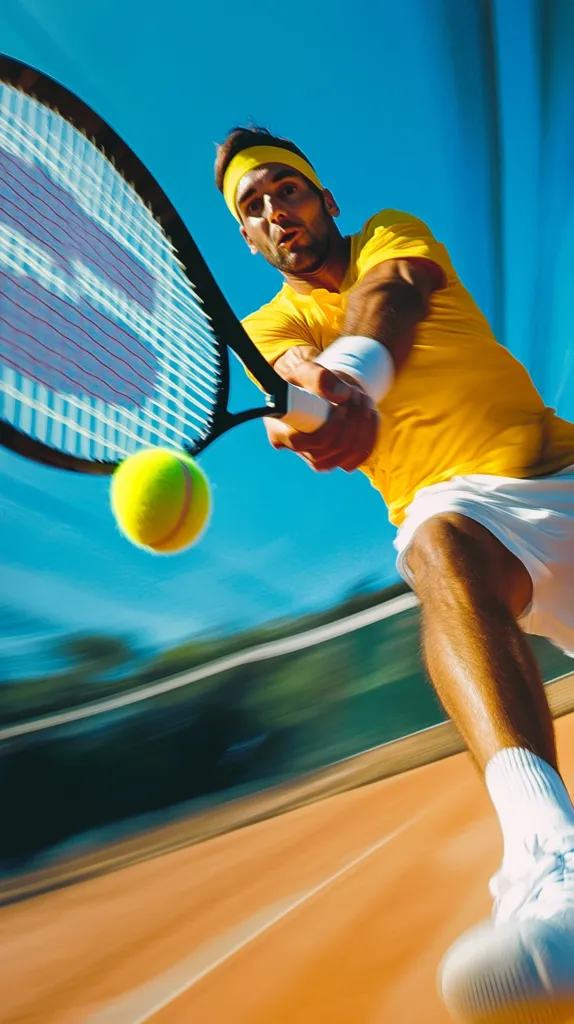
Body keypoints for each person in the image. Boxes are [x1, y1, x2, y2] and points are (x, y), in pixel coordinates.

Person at [215, 126, 574, 1023]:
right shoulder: (271, 326)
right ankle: (550, 863)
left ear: (324, 199)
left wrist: (353, 374)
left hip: (558, 467)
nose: (274, 211)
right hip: (478, 528)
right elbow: (285, 381)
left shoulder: (388, 234)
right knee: (435, 541)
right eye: (254, 208)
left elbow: (394, 292)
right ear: (251, 241)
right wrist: (308, 413)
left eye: (285, 189)